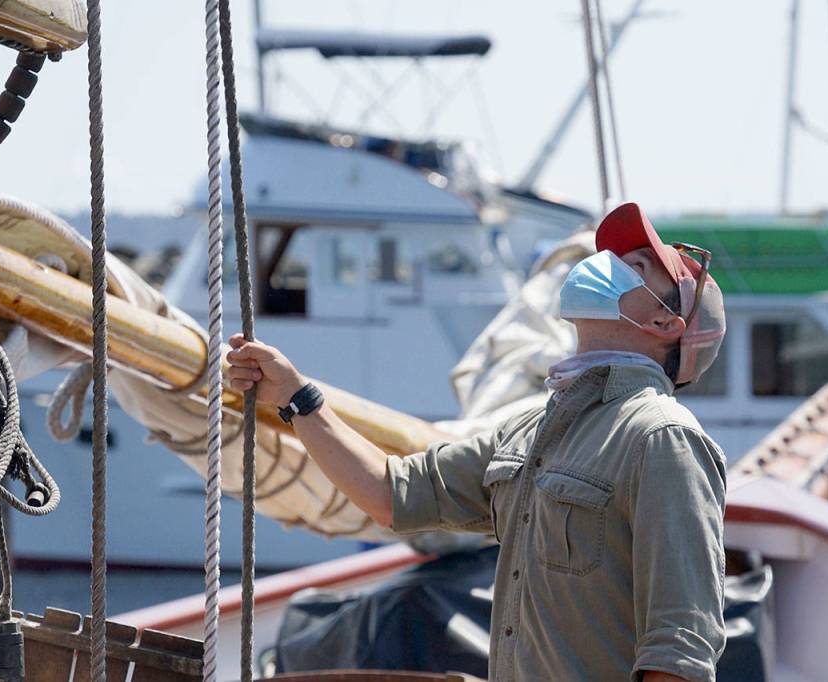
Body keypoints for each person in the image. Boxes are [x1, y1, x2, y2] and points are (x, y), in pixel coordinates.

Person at [226, 202, 728, 682]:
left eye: (635, 265)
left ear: (665, 323)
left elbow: (680, 651)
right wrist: (295, 397)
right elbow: (391, 491)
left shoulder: (664, 439)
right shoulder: (530, 431)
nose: (608, 264)